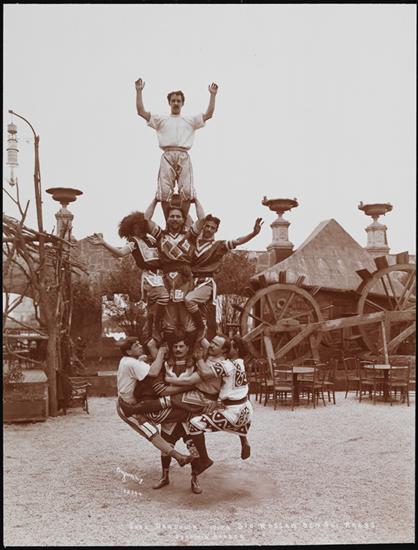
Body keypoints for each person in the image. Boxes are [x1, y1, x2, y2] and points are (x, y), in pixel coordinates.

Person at [120, 333, 218, 493]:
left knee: (193, 448)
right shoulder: (165, 364)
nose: (178, 349)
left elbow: (208, 379)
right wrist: (187, 388)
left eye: (181, 346)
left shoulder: (195, 364)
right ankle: (164, 476)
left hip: (188, 415)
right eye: (175, 346)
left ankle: (195, 479)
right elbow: (159, 386)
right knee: (165, 447)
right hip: (171, 413)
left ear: (187, 347)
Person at [165, 334, 253, 472]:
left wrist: (199, 358)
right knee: (230, 413)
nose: (227, 346)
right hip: (245, 409)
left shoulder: (227, 365)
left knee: (194, 424)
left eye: (229, 346)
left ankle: (205, 460)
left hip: (233, 412)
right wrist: (201, 334)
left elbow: (205, 373)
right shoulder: (240, 362)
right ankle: (244, 440)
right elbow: (215, 347)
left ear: (234, 350)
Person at [135, 77, 218, 218]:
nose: (176, 103)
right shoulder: (161, 119)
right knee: (164, 192)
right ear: (169, 102)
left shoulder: (190, 120)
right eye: (173, 100)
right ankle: (168, 221)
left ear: (182, 103)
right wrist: (139, 91)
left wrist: (213, 95)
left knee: (187, 191)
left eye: (178, 101)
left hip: (183, 155)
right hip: (167, 155)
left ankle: (183, 221)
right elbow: (141, 112)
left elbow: (208, 114)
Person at [87, 211, 169, 339]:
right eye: (135, 227)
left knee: (155, 309)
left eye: (140, 225)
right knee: (164, 298)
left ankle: (150, 334)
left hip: (162, 276)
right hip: (150, 277)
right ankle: (155, 327)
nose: (138, 229)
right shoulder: (133, 242)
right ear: (131, 229)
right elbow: (120, 253)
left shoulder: (152, 239)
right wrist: (104, 243)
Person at [115, 337, 193, 467]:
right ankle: (178, 457)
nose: (140, 346)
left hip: (134, 403)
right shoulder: (131, 363)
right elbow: (153, 372)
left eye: (139, 344)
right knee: (151, 432)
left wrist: (141, 359)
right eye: (136, 346)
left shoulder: (128, 361)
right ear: (128, 351)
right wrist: (161, 351)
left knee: (156, 425)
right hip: (128, 408)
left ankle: (178, 455)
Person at [185, 215, 264, 326]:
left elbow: (237, 241)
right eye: (207, 226)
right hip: (190, 282)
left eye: (212, 228)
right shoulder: (193, 243)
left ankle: (200, 327)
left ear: (216, 230)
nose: (209, 229)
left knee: (189, 300)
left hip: (205, 282)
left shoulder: (218, 246)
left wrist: (253, 233)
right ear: (203, 226)